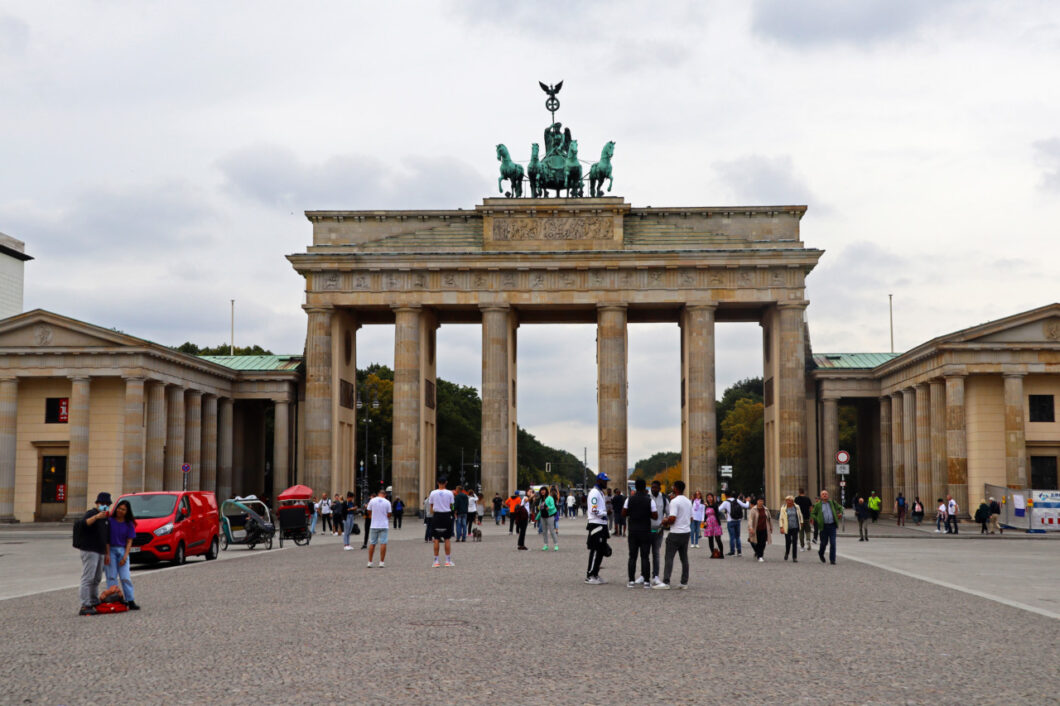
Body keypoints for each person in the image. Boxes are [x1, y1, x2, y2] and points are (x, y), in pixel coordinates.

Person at [74, 492, 111, 615]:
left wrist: (107, 553)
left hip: (100, 550)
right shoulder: (91, 513)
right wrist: (96, 517)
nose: (105, 506)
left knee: (97, 578)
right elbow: (83, 524)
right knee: (88, 577)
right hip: (89, 549)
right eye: (102, 504)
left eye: (107, 504)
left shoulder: (106, 518)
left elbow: (106, 537)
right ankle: (85, 605)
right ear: (97, 503)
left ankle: (94, 600)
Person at [653, 480, 692, 590]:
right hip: (686, 532)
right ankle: (684, 582)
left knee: (669, 557)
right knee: (684, 558)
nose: (672, 488)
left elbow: (672, 518)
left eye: (673, 486)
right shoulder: (688, 501)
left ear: (676, 488)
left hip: (675, 533)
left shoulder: (674, 502)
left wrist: (665, 521)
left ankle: (666, 582)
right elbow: (691, 518)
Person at [104, 498, 139, 610]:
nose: (120, 511)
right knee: (112, 576)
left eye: (123, 509)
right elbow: (107, 539)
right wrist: (107, 554)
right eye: (119, 508)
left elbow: (129, 541)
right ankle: (114, 598)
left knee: (125, 577)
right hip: (111, 550)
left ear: (127, 512)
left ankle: (130, 599)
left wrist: (125, 556)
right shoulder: (110, 521)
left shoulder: (129, 524)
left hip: (122, 550)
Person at [623, 478, 658, 588]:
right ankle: (647, 581)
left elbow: (623, 513)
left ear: (636, 487)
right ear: (644, 487)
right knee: (645, 556)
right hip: (645, 530)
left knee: (632, 556)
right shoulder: (649, 500)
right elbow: (655, 516)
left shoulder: (629, 499)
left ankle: (631, 581)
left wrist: (632, 513)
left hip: (633, 530)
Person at [585, 473, 611, 585]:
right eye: (605, 481)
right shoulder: (594, 493)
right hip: (596, 524)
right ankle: (590, 575)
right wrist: (605, 513)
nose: (606, 483)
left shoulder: (600, 492)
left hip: (601, 523)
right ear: (599, 480)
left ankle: (595, 573)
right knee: (595, 549)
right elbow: (593, 510)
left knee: (601, 550)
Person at [429, 477, 455, 567]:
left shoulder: (433, 493)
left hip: (437, 515)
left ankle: (436, 561)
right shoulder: (450, 493)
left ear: (437, 482)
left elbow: (431, 505)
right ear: (446, 483)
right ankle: (448, 561)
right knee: (447, 538)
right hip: (446, 515)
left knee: (436, 538)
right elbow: (452, 505)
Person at [812, 490, 843, 565]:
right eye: (823, 494)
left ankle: (832, 559)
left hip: (832, 525)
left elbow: (840, 508)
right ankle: (821, 553)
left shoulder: (832, 503)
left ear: (828, 495)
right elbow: (813, 514)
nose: (825, 495)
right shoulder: (818, 505)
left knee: (833, 543)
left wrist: (840, 513)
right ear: (821, 496)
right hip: (824, 526)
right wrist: (818, 520)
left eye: (826, 494)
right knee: (824, 543)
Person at [648, 480, 669, 586]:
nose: (653, 489)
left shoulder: (664, 499)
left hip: (658, 530)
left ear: (660, 488)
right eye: (652, 487)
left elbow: (668, 513)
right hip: (647, 530)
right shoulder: (647, 497)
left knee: (656, 554)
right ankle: (644, 576)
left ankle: (655, 576)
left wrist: (665, 521)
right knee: (645, 553)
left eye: (656, 487)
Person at [365, 488, 392, 568]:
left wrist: (371, 516)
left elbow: (368, 510)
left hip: (374, 525)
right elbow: (389, 514)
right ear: (385, 495)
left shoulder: (372, 501)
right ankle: (381, 562)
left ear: (378, 494)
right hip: (384, 525)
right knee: (383, 543)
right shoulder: (387, 502)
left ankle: (370, 562)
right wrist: (385, 516)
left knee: (372, 543)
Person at [746, 497, 772, 562]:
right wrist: (750, 527)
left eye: (762, 501)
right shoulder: (753, 509)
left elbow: (769, 518)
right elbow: (750, 519)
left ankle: (760, 555)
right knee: (756, 542)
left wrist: (771, 527)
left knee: (763, 543)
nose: (761, 502)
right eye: (759, 501)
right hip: (756, 528)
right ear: (757, 501)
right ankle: (759, 554)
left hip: (764, 528)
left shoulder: (766, 509)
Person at [725, 493, 748, 557]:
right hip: (737, 521)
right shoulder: (737, 501)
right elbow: (746, 506)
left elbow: (718, 509)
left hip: (730, 521)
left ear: (726, 495)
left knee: (732, 537)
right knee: (737, 537)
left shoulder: (726, 502)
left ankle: (732, 551)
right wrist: (748, 501)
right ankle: (739, 551)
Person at [535, 486, 559, 551]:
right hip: (542, 517)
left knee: (552, 531)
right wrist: (537, 518)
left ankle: (556, 544)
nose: (542, 491)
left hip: (549, 516)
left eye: (544, 490)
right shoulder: (541, 500)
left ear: (546, 491)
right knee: (544, 532)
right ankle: (545, 545)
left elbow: (553, 506)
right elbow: (540, 510)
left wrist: (549, 508)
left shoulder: (550, 498)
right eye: (541, 490)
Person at [778, 495, 800, 562]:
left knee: (795, 542)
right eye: (787, 500)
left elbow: (800, 515)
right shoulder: (783, 508)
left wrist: (801, 522)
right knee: (788, 542)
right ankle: (787, 553)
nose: (788, 502)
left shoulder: (796, 507)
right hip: (787, 527)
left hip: (795, 527)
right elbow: (781, 518)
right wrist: (781, 527)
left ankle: (794, 557)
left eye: (790, 500)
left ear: (792, 501)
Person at [703, 492, 724, 558]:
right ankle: (712, 553)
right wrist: (704, 522)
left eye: (710, 497)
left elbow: (716, 511)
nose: (709, 498)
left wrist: (708, 506)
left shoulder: (715, 505)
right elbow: (705, 515)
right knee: (710, 539)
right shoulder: (706, 506)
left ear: (713, 498)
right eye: (708, 497)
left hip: (715, 522)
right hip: (709, 523)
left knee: (718, 539)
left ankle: (721, 553)